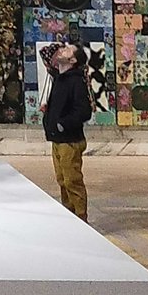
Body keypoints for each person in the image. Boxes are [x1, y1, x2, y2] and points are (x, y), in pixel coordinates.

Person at [43, 42, 93, 222]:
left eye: (67, 50)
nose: (62, 49)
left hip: (69, 140)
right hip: (58, 139)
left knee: (72, 180)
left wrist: (62, 124)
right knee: (62, 180)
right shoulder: (59, 77)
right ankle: (69, 215)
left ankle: (81, 217)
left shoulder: (76, 81)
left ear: (72, 60)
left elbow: (84, 111)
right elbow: (46, 53)